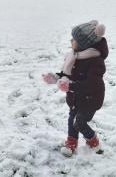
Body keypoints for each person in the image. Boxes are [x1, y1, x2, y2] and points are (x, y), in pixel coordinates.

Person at [42, 20, 108, 155]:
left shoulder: (96, 62)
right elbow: (67, 74)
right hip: (75, 98)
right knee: (71, 120)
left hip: (91, 100)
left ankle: (92, 140)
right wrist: (55, 77)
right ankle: (71, 143)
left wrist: (70, 86)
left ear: (85, 44)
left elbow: (91, 84)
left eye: (75, 39)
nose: (71, 40)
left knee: (79, 122)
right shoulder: (74, 55)